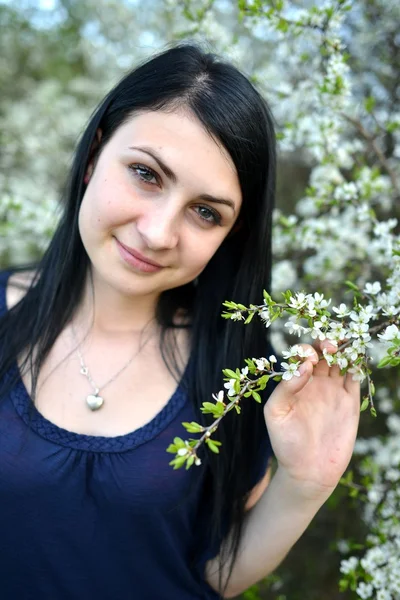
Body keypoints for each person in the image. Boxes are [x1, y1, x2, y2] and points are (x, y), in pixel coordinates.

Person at [0, 43, 360, 599]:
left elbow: (212, 575)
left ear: (230, 235)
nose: (159, 232)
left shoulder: (239, 367)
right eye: (146, 173)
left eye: (206, 212)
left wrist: (305, 486)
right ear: (95, 154)